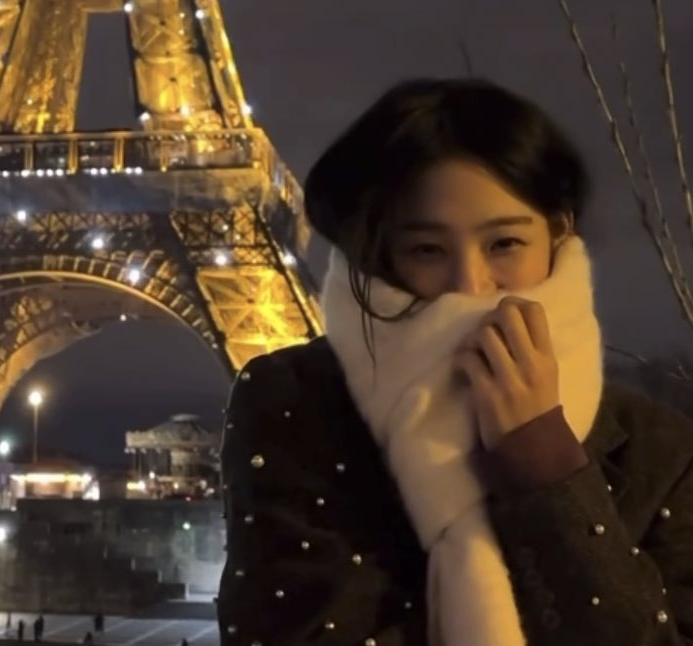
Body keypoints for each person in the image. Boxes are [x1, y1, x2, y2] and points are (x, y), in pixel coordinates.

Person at [217, 78, 693, 646]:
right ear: (382, 254)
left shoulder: (662, 449)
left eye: (504, 244)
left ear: (558, 233)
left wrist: (547, 470)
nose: (469, 285)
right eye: (427, 250)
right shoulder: (294, 402)